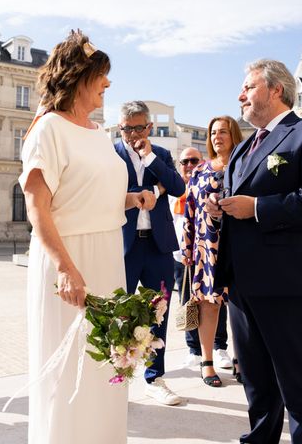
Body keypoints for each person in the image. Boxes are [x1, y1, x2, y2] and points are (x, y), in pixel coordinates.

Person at [20, 31, 153, 444]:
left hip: (108, 257)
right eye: (103, 75)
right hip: (68, 261)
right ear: (80, 76)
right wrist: (66, 268)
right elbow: (37, 207)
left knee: (105, 367)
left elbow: (91, 190)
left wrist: (131, 199)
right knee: (68, 372)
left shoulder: (97, 132)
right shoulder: (48, 129)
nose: (108, 84)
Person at [207, 59, 302, 443]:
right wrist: (222, 209)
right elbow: (240, 202)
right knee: (256, 378)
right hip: (241, 283)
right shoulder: (243, 148)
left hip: (285, 281)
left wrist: (257, 208)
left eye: (248, 87)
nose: (240, 95)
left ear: (276, 89)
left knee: (299, 380)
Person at [114, 100, 185, 406]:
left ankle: (154, 378)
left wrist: (150, 158)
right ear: (120, 128)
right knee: (120, 313)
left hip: (157, 246)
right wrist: (149, 192)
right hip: (124, 245)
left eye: (139, 127)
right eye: (127, 128)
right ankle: (117, 377)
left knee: (159, 312)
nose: (133, 134)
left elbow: (178, 187)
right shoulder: (111, 154)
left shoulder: (163, 155)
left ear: (150, 127)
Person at [183, 116, 243, 387]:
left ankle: (242, 359)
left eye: (223, 132)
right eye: (214, 132)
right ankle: (207, 362)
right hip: (207, 246)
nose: (218, 137)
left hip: (241, 244)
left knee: (241, 306)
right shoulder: (200, 170)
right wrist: (187, 247)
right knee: (210, 304)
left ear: (234, 134)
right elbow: (190, 211)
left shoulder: (246, 165)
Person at [171, 147, 231, 370]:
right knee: (188, 301)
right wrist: (185, 250)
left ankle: (219, 347)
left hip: (207, 252)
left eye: (193, 160)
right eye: (184, 161)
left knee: (215, 302)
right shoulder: (174, 191)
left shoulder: (209, 181)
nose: (188, 165)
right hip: (182, 255)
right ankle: (194, 350)